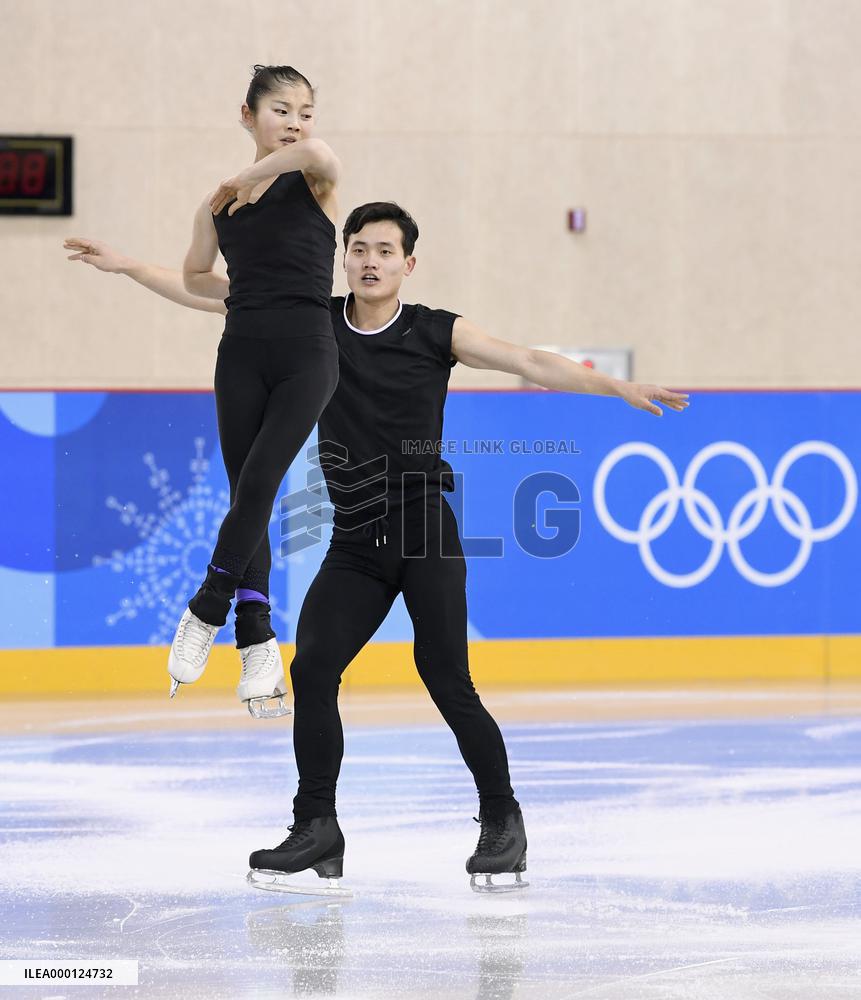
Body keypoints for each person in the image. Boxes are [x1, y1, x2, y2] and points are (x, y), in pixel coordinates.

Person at [65, 203, 688, 893]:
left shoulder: (434, 331)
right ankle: (317, 829)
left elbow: (527, 359)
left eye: (384, 251)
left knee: (444, 675)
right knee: (314, 669)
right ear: (343, 257)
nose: (369, 261)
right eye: (358, 248)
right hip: (355, 538)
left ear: (407, 264)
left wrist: (616, 386)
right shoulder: (315, 322)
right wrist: (128, 267)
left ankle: (502, 821)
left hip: (423, 528)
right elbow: (215, 293)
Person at [129, 64, 341, 716]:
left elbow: (320, 151)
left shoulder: (313, 179)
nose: (296, 122)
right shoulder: (217, 206)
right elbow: (198, 277)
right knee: (245, 493)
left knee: (257, 487)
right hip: (241, 356)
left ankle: (206, 606)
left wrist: (252, 175)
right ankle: (256, 640)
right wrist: (132, 266)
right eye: (280, 110)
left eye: (304, 110)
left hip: (308, 357)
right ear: (247, 115)